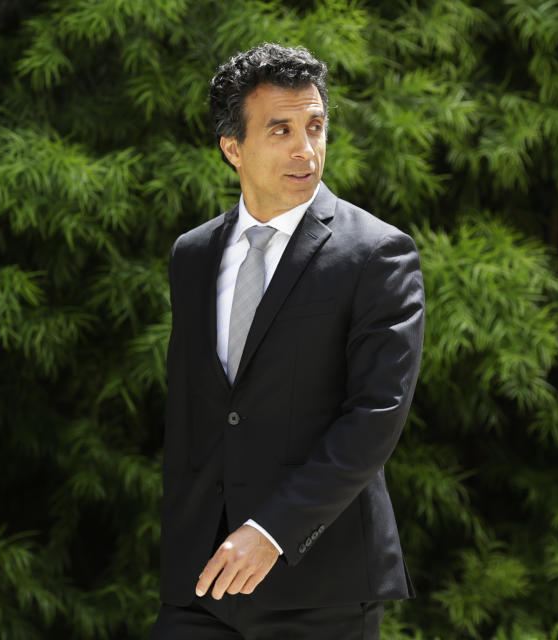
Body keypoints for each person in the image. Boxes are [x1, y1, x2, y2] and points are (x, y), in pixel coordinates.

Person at [150, 43, 425, 639]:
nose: (306, 149)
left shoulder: (377, 253)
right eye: (281, 129)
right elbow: (197, 414)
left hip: (321, 589)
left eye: (315, 126)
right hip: (201, 584)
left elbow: (375, 417)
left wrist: (271, 532)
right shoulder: (192, 256)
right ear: (232, 148)